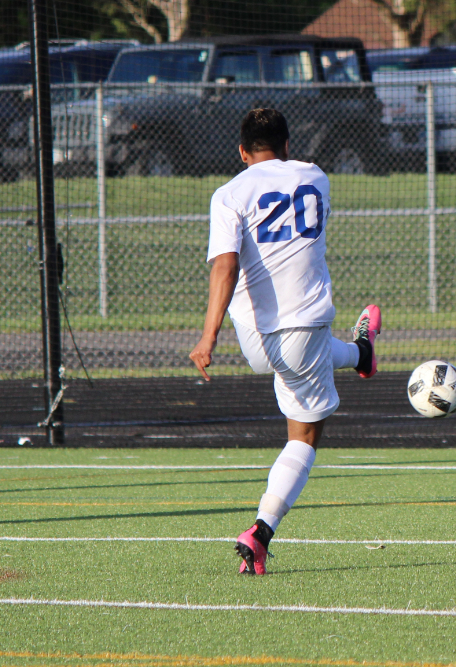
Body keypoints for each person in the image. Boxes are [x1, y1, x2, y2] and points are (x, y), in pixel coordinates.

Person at [189, 108, 381, 575]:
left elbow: (225, 267)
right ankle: (261, 531)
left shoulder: (228, 193)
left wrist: (208, 338)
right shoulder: (316, 177)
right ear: (288, 146)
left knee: (298, 356)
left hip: (253, 341)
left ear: (241, 152)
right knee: (305, 436)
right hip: (302, 328)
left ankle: (359, 352)